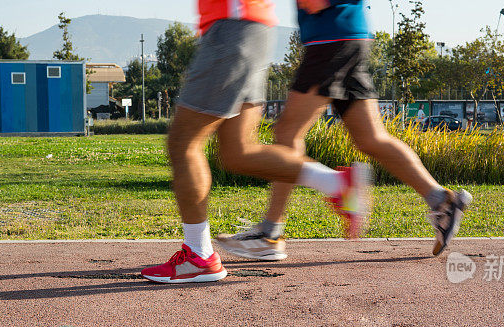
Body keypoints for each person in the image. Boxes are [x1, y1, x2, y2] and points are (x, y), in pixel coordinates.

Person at [215, 0, 471, 261]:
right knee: (371, 138)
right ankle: (441, 200)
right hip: (350, 36)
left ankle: (269, 233)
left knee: (288, 133)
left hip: (329, 40)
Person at [141, 0, 371, 284]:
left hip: (231, 27)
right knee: (238, 151)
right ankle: (336, 183)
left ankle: (198, 255)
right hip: (254, 29)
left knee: (183, 143)